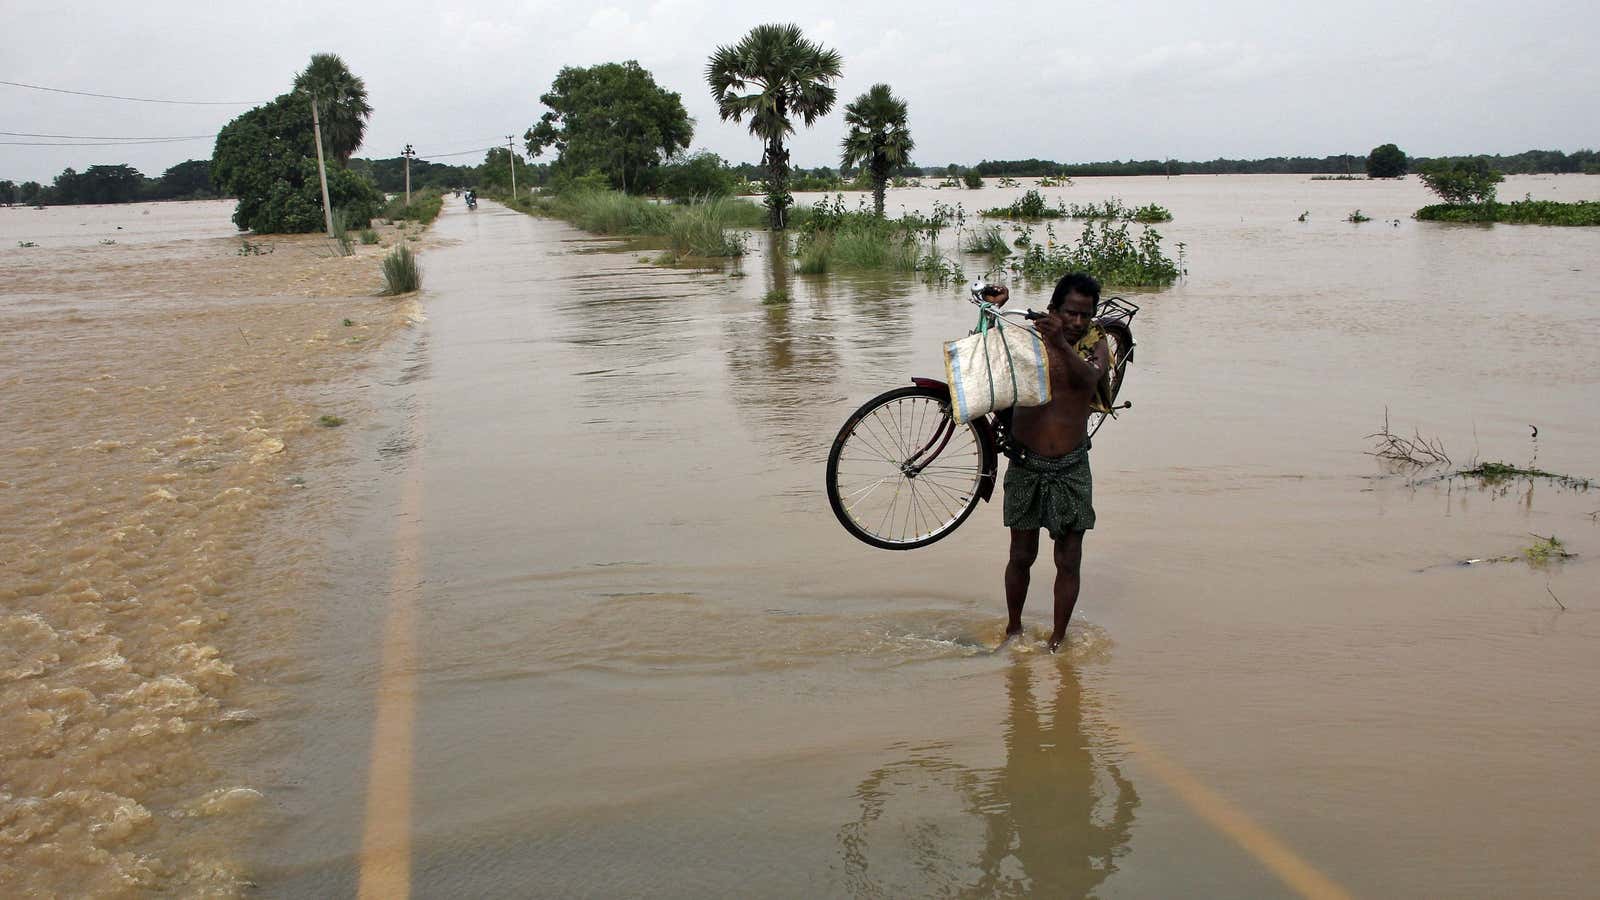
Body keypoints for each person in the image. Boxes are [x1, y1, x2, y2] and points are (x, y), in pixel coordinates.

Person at [985, 274, 1110, 652]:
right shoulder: (1027, 341)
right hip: (1026, 462)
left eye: (1084, 315)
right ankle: (1013, 631)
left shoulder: (1095, 344)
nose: (1076, 322)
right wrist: (995, 309)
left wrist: (1062, 343)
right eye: (1070, 313)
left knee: (1068, 559)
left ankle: (1058, 640)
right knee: (1021, 555)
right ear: (1053, 310)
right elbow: (986, 359)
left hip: (1071, 465)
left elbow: (1090, 379)